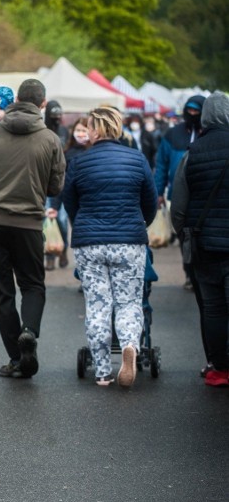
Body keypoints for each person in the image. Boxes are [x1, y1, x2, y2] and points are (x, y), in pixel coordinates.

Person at [0, 79, 66, 379]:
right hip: (29, 222)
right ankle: (29, 331)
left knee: (2, 291)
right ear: (43, 104)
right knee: (33, 284)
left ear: (17, 98)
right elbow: (56, 185)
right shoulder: (49, 139)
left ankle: (16, 357)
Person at [62, 107, 158, 387]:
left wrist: (85, 223)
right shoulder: (136, 159)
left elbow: (70, 202)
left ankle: (103, 371)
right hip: (128, 240)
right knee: (128, 301)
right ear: (117, 128)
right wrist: (139, 223)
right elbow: (149, 203)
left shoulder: (79, 162)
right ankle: (129, 345)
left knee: (97, 304)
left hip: (90, 242)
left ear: (94, 131)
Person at [171, 91, 229, 387]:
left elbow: (178, 205)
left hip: (205, 245)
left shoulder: (192, 153)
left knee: (214, 308)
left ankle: (219, 369)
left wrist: (183, 235)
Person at [155, 95, 206, 291]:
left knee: (202, 235)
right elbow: (161, 165)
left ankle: (201, 273)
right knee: (184, 236)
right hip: (178, 194)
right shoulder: (172, 134)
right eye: (190, 110)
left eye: (196, 111)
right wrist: (158, 192)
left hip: (202, 193)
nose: (192, 114)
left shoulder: (208, 133)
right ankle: (189, 272)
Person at [45, 118, 92, 271]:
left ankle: (85, 271)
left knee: (87, 240)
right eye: (78, 130)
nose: (81, 134)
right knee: (63, 225)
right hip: (68, 200)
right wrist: (54, 205)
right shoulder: (66, 152)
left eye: (84, 130)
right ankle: (59, 253)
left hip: (88, 203)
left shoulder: (94, 152)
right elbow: (60, 179)